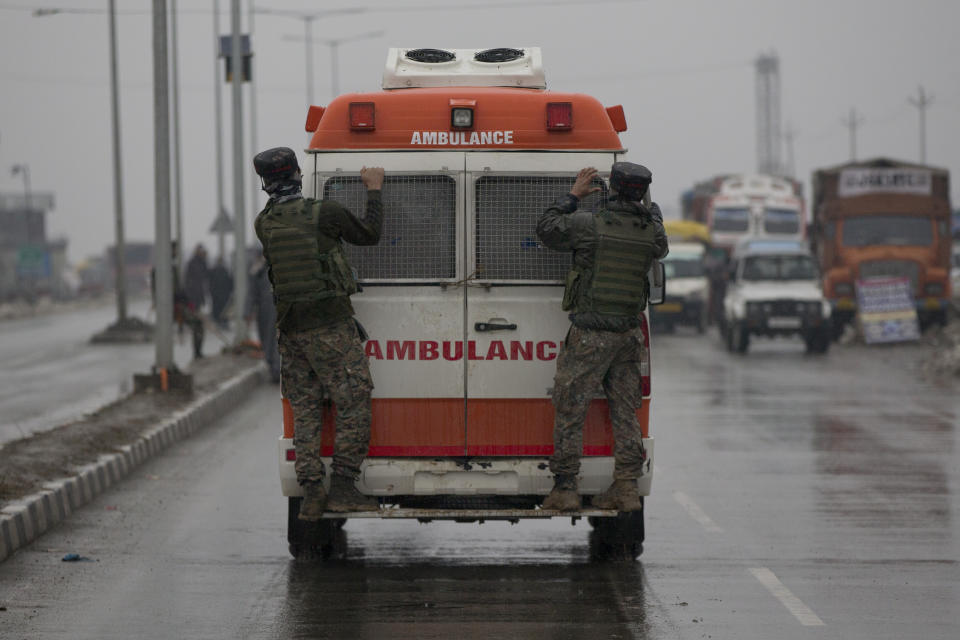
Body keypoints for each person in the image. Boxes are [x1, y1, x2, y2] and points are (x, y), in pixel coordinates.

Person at [252, 146, 384, 518]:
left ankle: (311, 492)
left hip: (290, 330)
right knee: (354, 397)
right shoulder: (325, 213)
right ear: (296, 173)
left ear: (265, 182)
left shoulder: (264, 223)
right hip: (329, 325)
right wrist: (373, 190)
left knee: (307, 407)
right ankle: (343, 486)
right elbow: (370, 234)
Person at [536, 163, 669, 512]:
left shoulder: (589, 225)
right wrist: (653, 212)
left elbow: (547, 229)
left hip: (592, 334)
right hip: (628, 334)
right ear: (641, 192)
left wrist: (573, 195)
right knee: (625, 411)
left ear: (611, 188)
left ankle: (565, 487)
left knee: (570, 406)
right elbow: (661, 245)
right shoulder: (650, 232)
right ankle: (626, 487)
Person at [151, 242, 205, 360]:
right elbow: (165, 291)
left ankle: (196, 354)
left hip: (176, 304)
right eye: (174, 250)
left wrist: (186, 300)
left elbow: (178, 289)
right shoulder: (162, 269)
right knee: (196, 324)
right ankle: (167, 361)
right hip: (170, 306)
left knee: (197, 324)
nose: (176, 253)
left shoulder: (170, 267)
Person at [245, 249, 280, 383]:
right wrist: (247, 312)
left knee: (275, 340)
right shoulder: (258, 272)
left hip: (278, 309)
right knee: (268, 339)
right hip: (265, 312)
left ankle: (277, 369)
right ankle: (274, 367)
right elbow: (251, 293)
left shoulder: (277, 267)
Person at [184, 244, 210, 313]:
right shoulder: (194, 263)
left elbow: (206, 276)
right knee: (193, 310)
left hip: (197, 291)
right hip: (193, 292)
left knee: (195, 310)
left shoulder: (202, 262)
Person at [208, 256, 233, 328]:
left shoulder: (219, 271)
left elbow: (211, 283)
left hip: (220, 295)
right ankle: (222, 322)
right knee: (222, 309)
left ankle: (220, 322)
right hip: (221, 295)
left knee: (220, 309)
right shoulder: (223, 271)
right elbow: (229, 282)